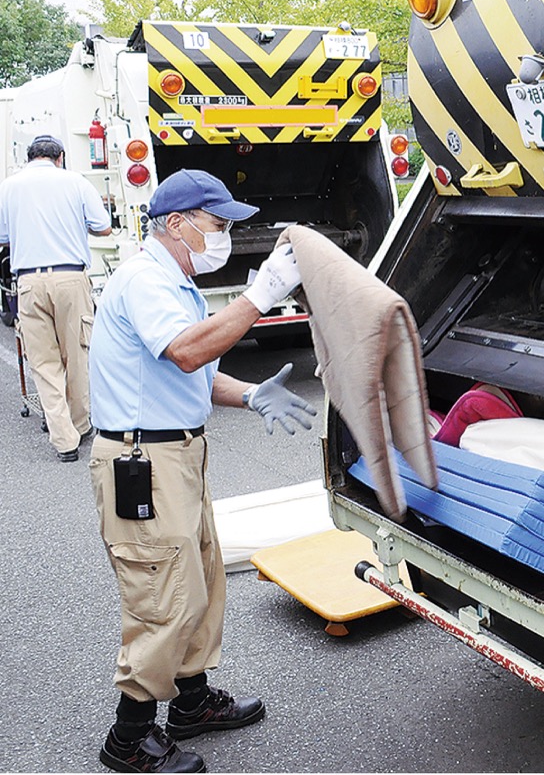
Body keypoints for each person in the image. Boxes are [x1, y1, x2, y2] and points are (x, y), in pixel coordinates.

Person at [88, 168, 318, 774]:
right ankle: (129, 737)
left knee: (200, 581)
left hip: (176, 457)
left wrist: (249, 394)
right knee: (163, 596)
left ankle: (190, 703)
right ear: (177, 223)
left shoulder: (175, 281)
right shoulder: (144, 280)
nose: (223, 236)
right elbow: (189, 349)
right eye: (217, 225)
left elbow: (190, 370)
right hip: (145, 462)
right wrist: (260, 295)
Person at [0, 134, 112, 460]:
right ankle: (80, 423)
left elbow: (3, 235)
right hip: (70, 278)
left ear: (29, 157)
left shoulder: (9, 186)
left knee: (44, 362)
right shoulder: (75, 182)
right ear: (60, 157)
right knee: (76, 354)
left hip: (29, 282)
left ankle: (64, 441)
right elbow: (103, 226)